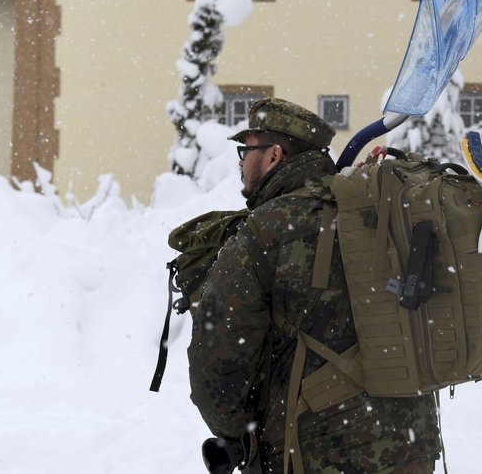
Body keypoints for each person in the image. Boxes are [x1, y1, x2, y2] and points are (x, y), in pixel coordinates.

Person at [187, 98, 441, 474]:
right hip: (410, 444)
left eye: (247, 149)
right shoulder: (376, 209)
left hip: (318, 452)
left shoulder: (265, 230)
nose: (241, 161)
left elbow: (219, 361)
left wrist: (241, 437)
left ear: (274, 155)